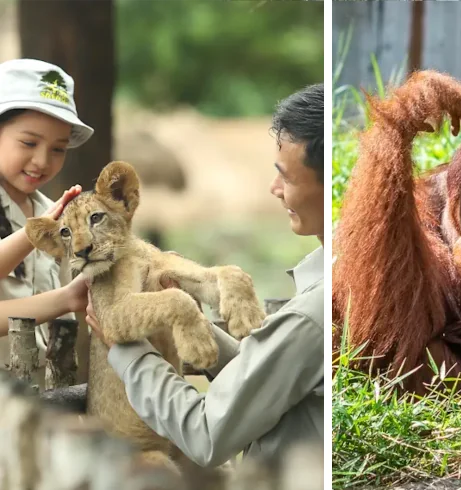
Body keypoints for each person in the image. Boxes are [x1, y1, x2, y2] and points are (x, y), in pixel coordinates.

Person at [84, 84, 325, 467]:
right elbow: (264, 378)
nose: (273, 189)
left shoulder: (311, 315)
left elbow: (207, 434)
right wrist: (192, 315)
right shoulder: (322, 285)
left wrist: (127, 353)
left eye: (287, 178)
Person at [0, 58, 94, 364]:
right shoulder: (47, 219)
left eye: (58, 149)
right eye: (29, 142)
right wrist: (65, 298)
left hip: (43, 398)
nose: (42, 161)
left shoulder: (49, 211)